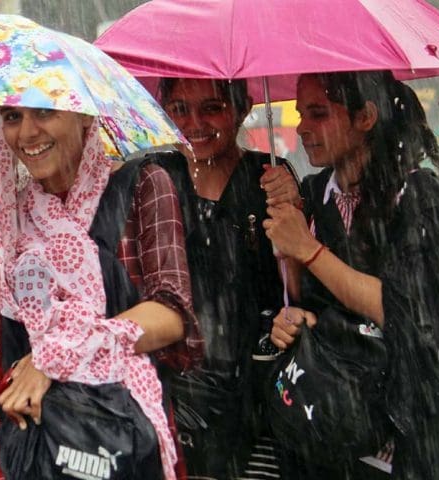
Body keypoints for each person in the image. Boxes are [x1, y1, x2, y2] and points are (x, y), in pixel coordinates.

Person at [0, 105, 202, 480]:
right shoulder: (9, 217)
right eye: (12, 117)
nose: (26, 133)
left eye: (44, 113)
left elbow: (170, 314)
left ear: (86, 116)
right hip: (35, 443)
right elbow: (8, 358)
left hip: (119, 434)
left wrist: (53, 357)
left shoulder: (142, 185)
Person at [264, 70, 439, 479]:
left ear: (366, 117)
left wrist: (309, 248)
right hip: (335, 428)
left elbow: (399, 307)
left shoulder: (414, 194)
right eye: (301, 113)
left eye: (319, 113)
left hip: (406, 424)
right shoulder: (314, 192)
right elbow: (304, 299)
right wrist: (292, 303)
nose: (303, 128)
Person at [156, 77, 299, 479]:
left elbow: (297, 290)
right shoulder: (153, 179)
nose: (195, 122)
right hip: (174, 397)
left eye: (212, 107)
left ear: (243, 107)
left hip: (260, 393)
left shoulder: (269, 178)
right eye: (180, 108)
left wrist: (291, 213)